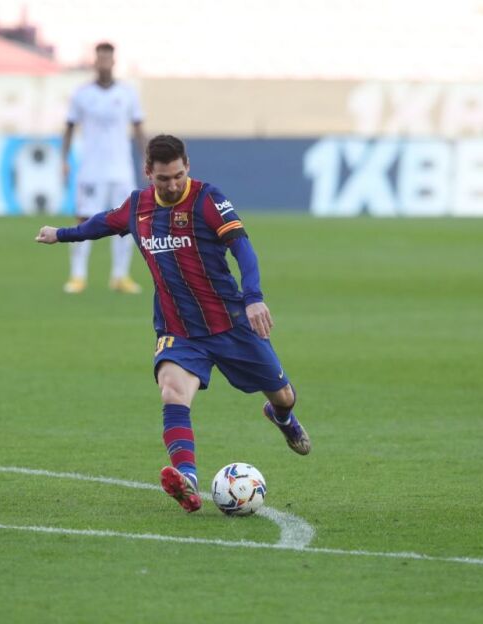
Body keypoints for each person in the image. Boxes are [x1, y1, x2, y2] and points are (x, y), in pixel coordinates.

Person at [36, 134, 310, 512]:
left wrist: (253, 298)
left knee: (283, 395)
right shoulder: (138, 206)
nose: (173, 185)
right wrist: (61, 234)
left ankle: (282, 417)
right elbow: (102, 223)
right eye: (164, 178)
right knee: (172, 392)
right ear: (148, 172)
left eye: (179, 175)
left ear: (188, 167)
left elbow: (242, 248)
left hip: (229, 322)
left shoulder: (207, 199)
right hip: (178, 328)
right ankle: (187, 480)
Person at [60, 41, 146, 294]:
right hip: (91, 169)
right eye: (100, 58)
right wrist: (64, 159)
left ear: (114, 61)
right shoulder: (82, 94)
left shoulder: (128, 93)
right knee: (84, 219)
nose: (104, 63)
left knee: (126, 221)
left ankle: (120, 275)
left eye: (108, 58)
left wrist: (147, 159)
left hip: (121, 170)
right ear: (95, 61)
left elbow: (138, 128)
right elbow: (69, 127)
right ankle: (78, 275)